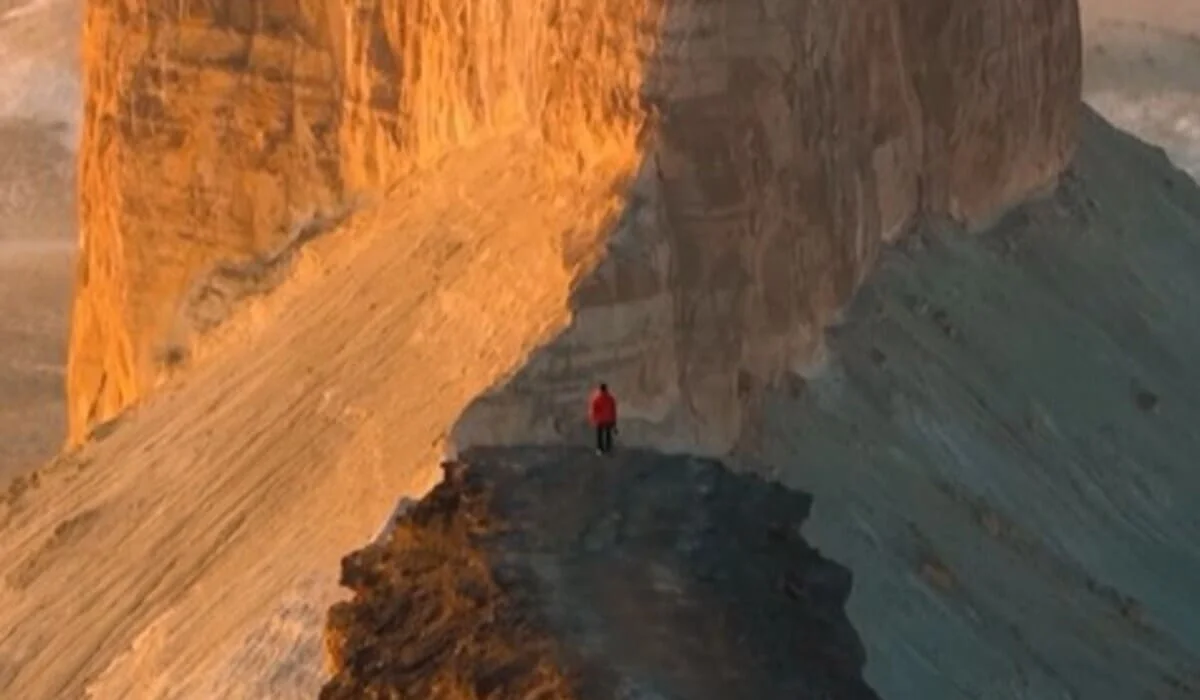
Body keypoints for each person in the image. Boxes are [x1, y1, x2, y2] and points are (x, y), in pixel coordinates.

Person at [588, 383, 618, 455]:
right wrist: (614, 420)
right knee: (608, 434)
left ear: (600, 389)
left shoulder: (596, 398)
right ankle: (608, 448)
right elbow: (613, 410)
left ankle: (600, 448)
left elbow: (594, 409)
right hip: (608, 419)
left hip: (600, 420)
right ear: (606, 389)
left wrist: (592, 419)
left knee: (599, 435)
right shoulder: (610, 398)